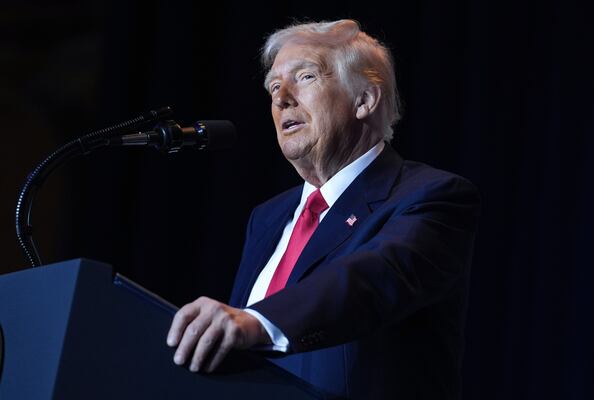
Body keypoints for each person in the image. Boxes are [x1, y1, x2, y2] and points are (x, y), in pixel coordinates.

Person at [167, 19, 480, 399]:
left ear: (364, 100)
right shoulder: (267, 218)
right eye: (274, 87)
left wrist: (259, 322)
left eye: (306, 76)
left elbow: (372, 277)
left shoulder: (431, 196)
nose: (281, 98)